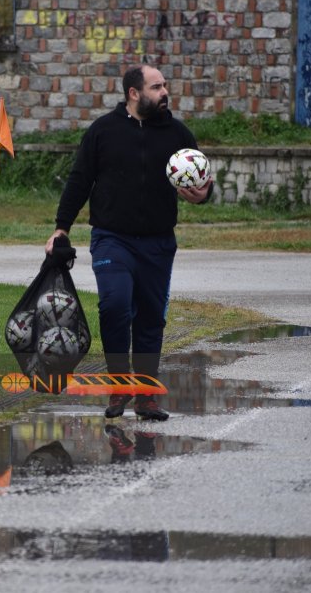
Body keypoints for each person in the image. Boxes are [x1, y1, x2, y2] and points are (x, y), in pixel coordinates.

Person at [45, 64, 213, 421]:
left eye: (165, 85)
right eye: (156, 87)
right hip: (112, 239)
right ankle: (119, 384)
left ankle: (146, 396)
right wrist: (61, 228)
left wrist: (202, 194)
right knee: (115, 305)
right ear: (134, 93)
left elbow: (202, 179)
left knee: (151, 318)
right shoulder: (103, 131)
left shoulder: (177, 133)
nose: (165, 92)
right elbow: (79, 181)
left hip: (158, 242)